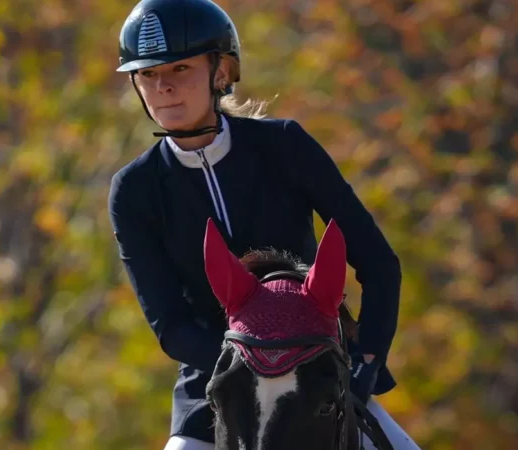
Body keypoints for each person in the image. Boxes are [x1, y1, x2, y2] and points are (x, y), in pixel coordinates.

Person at [108, 1, 420, 449]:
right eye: (149, 75)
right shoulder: (133, 189)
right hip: (217, 385)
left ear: (220, 72)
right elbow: (171, 326)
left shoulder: (285, 145)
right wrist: (250, 363)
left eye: (179, 68)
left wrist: (367, 355)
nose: (164, 88)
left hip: (319, 375)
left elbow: (378, 262)